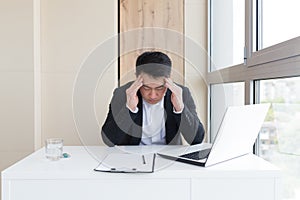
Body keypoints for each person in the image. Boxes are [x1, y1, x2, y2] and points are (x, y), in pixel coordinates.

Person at [101, 51, 205, 146]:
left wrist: (180, 108)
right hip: (132, 158)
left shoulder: (181, 93)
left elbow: (197, 139)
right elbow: (109, 140)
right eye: (146, 87)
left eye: (159, 88)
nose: (153, 95)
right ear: (137, 78)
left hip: (169, 158)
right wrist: (129, 108)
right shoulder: (123, 93)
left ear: (169, 78)